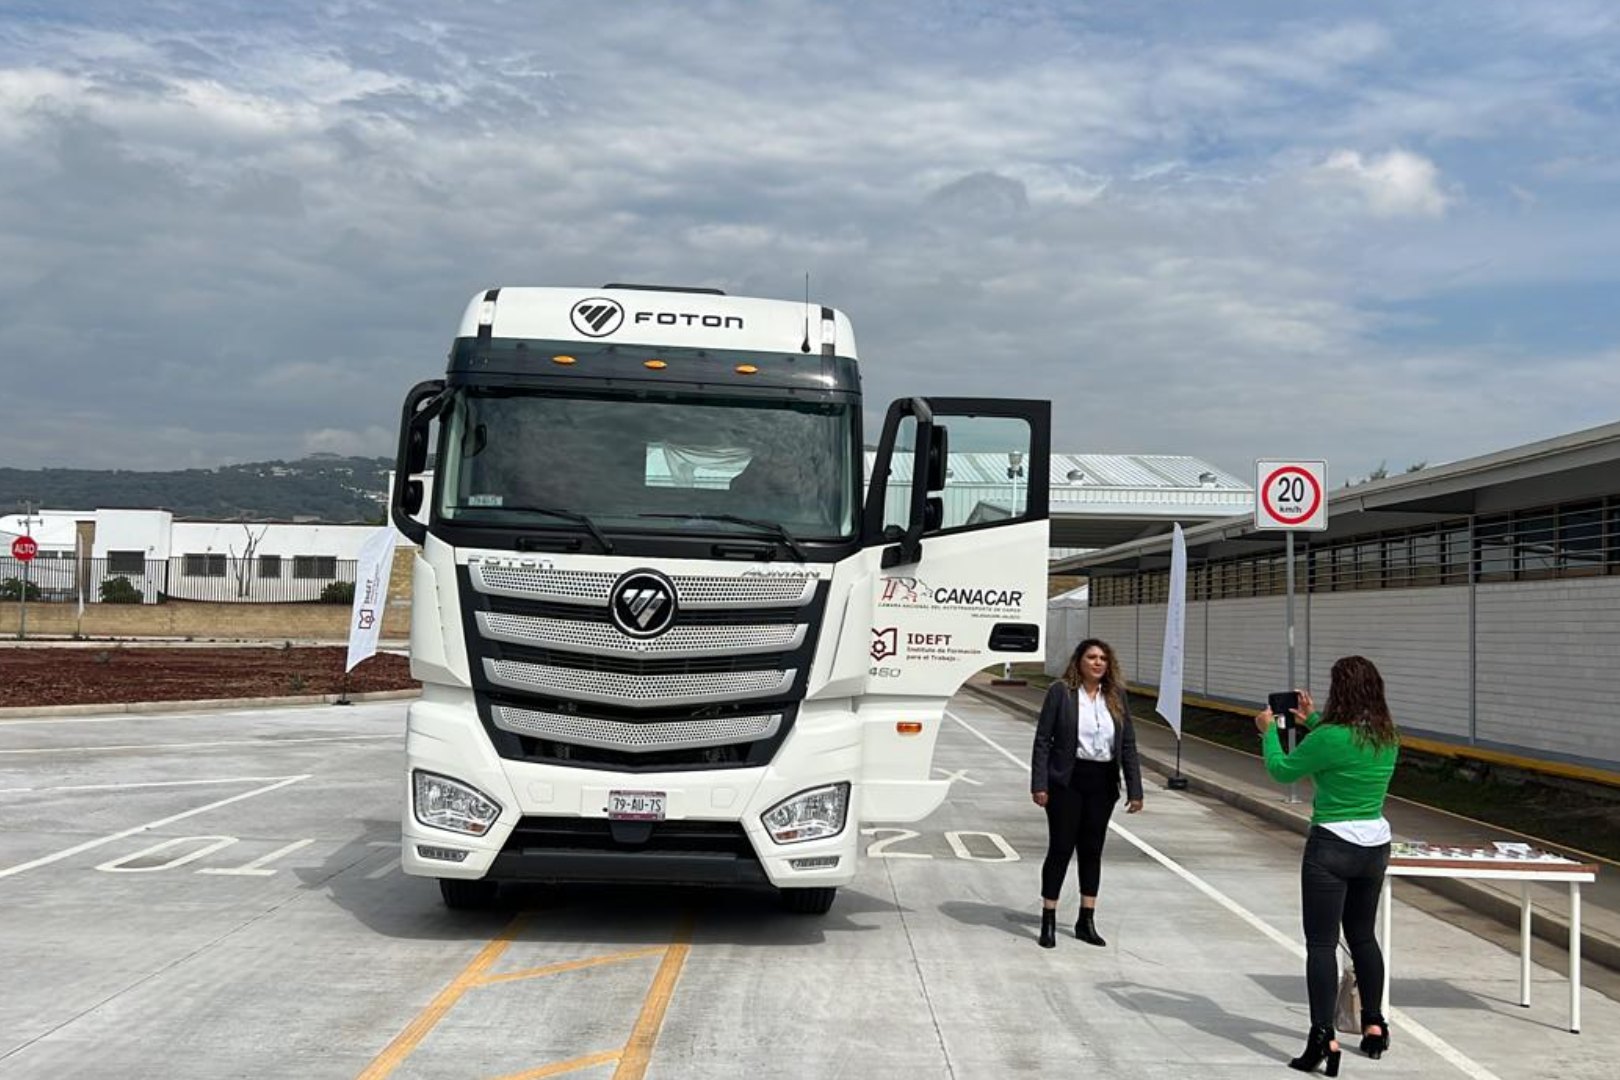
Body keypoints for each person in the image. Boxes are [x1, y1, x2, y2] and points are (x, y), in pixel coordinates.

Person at [1254, 656, 1400, 1074]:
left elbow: (1282, 770)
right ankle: (1374, 1024)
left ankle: (1323, 1036)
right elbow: (1347, 748)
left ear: (1340, 691)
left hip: (1332, 845)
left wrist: (1269, 733)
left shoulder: (1328, 738)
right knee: (1363, 937)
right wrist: (1313, 720)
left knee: (1321, 944)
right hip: (1374, 846)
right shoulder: (1387, 737)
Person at [1030, 638, 1144, 949]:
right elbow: (1043, 740)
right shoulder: (1061, 692)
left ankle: (1086, 920)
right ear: (1079, 661)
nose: (1098, 663)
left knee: (1092, 850)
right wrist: (1039, 784)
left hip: (1102, 782)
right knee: (1061, 848)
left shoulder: (1116, 695)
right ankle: (1048, 918)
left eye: (1103, 658)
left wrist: (1135, 789)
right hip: (1067, 781)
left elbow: (1128, 744)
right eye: (1092, 657)